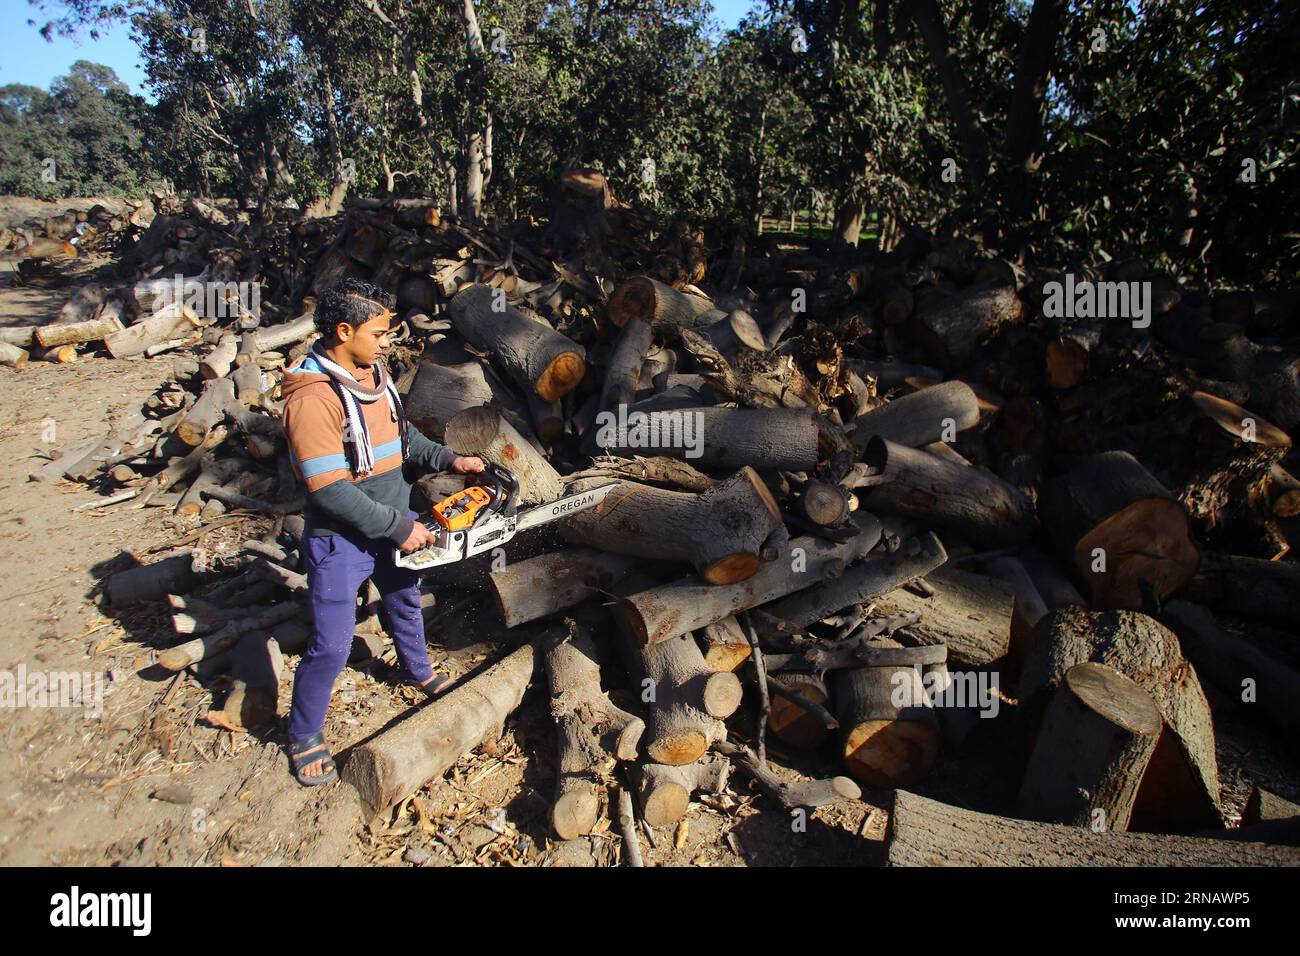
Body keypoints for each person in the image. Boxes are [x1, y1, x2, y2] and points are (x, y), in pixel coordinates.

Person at [279, 278, 484, 785]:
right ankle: (304, 733)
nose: (387, 340)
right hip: (340, 538)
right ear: (343, 331)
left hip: (390, 525)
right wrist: (397, 528)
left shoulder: (373, 374)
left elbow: (401, 434)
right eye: (378, 332)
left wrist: (447, 457)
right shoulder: (313, 398)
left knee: (404, 601)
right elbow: (328, 489)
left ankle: (416, 671)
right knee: (331, 641)